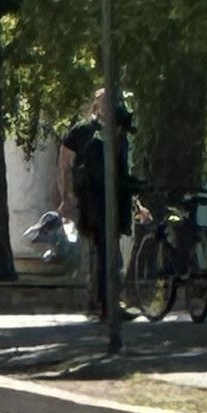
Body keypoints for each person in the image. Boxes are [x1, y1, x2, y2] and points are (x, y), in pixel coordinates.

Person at [59, 87, 134, 320]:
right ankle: (97, 303)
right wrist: (66, 198)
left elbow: (122, 171)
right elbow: (64, 165)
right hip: (89, 202)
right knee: (94, 254)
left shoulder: (120, 134)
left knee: (111, 255)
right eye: (106, 101)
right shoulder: (83, 132)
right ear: (97, 104)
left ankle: (109, 303)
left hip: (113, 203)